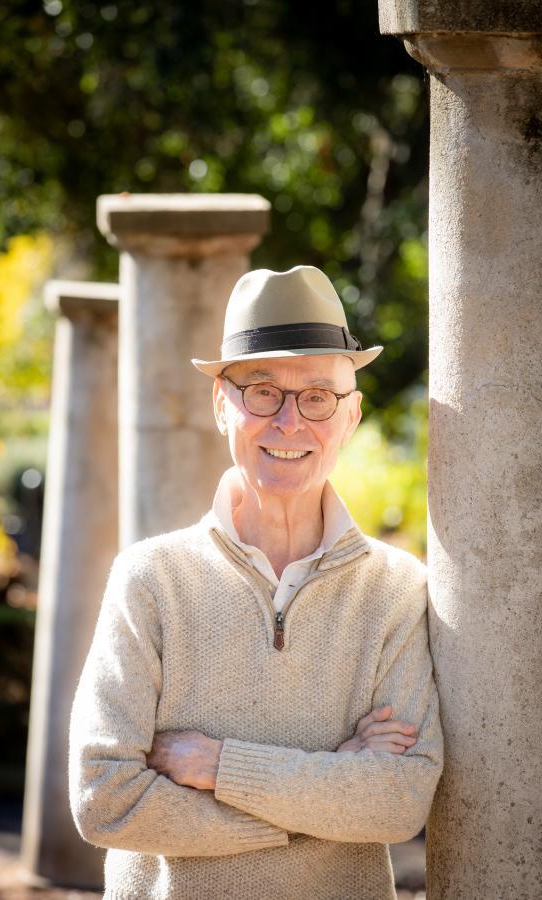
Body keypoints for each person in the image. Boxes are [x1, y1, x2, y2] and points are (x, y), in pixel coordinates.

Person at [69, 264, 444, 900]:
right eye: (262, 391)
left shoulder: (398, 588)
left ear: (350, 417)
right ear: (222, 405)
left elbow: (400, 802)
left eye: (318, 396)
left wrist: (219, 768)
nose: (290, 422)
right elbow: (104, 796)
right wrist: (325, 791)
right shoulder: (150, 579)